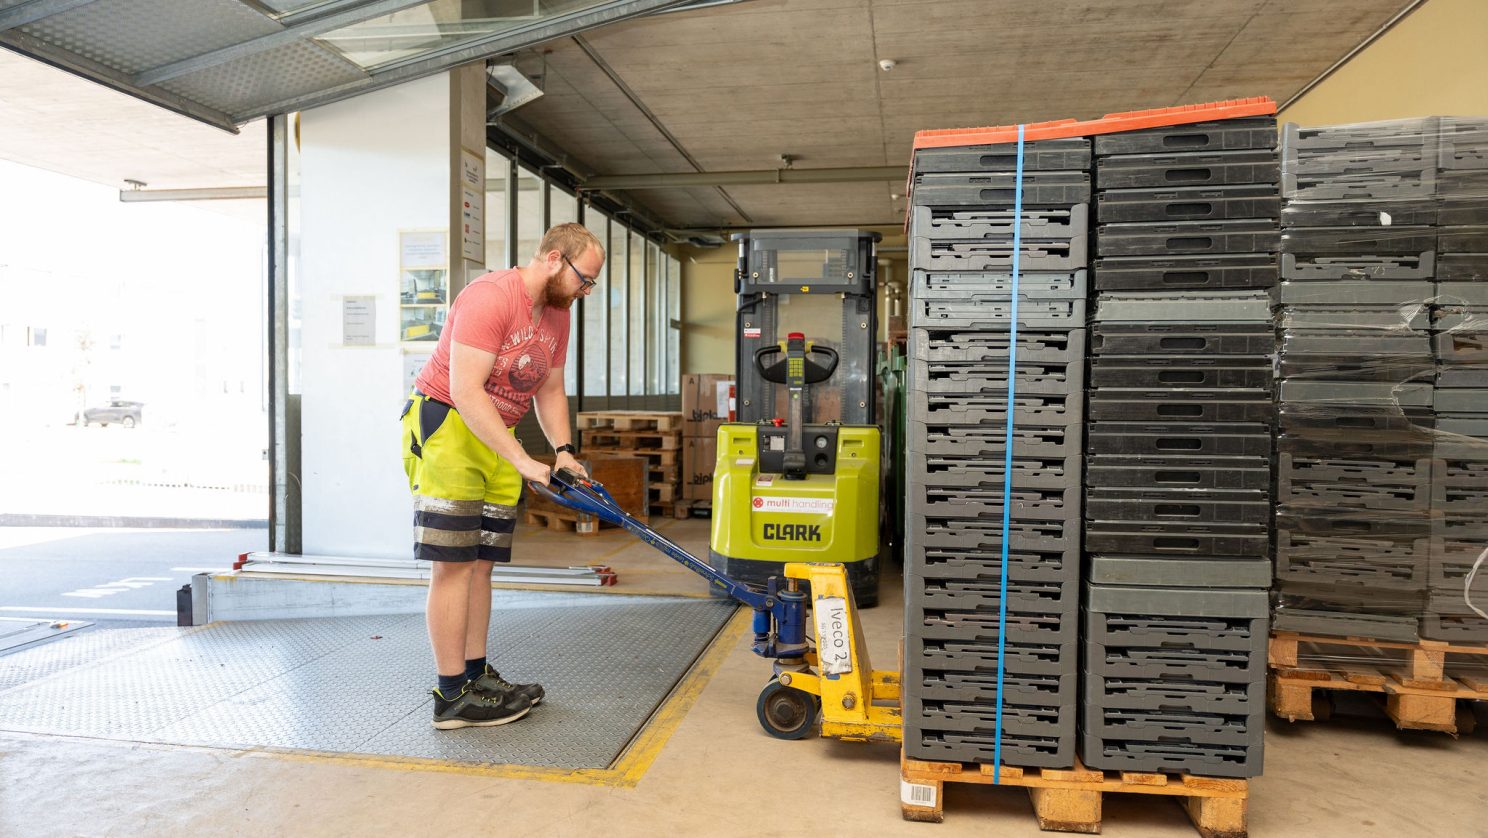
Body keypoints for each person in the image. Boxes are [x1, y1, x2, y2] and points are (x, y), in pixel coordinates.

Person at [401, 222, 602, 729]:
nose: (586, 290)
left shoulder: (558, 317)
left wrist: (562, 452)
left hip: (498, 434)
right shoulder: (490, 297)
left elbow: (550, 390)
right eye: (585, 279)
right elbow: (467, 391)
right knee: (453, 563)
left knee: (483, 563)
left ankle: (474, 675)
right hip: (449, 424)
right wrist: (521, 460)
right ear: (555, 258)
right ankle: (450, 696)